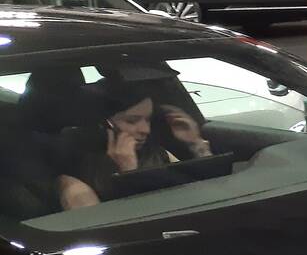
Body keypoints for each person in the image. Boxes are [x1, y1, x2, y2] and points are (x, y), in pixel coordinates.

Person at [55, 85, 211, 210]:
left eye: (148, 120)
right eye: (131, 121)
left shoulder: (154, 153)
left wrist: (196, 145)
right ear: (104, 124)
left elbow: (204, 195)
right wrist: (130, 174)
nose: (145, 130)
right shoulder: (75, 183)